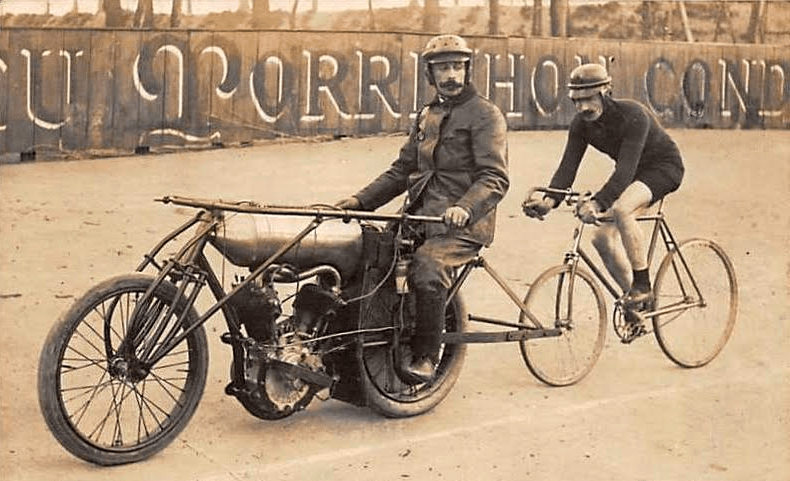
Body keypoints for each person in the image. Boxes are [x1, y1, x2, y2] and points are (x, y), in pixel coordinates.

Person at [335, 34, 509, 382]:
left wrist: (465, 208)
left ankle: (427, 355)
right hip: (418, 216)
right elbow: (402, 170)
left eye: (457, 67)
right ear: (430, 73)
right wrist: (359, 201)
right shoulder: (428, 115)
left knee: (428, 267)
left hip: (461, 226)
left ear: (467, 69)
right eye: (443, 67)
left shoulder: (485, 115)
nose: (451, 75)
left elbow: (494, 178)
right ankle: (352, 351)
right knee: (367, 254)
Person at [522, 63, 684, 319]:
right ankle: (634, 303)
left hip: (663, 168)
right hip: (633, 176)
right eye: (576, 101)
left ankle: (643, 285)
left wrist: (597, 204)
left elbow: (624, 171)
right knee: (601, 238)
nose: (582, 108)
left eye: (588, 99)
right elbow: (567, 167)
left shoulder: (634, 115)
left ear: (605, 92)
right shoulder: (581, 124)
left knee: (621, 209)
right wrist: (549, 201)